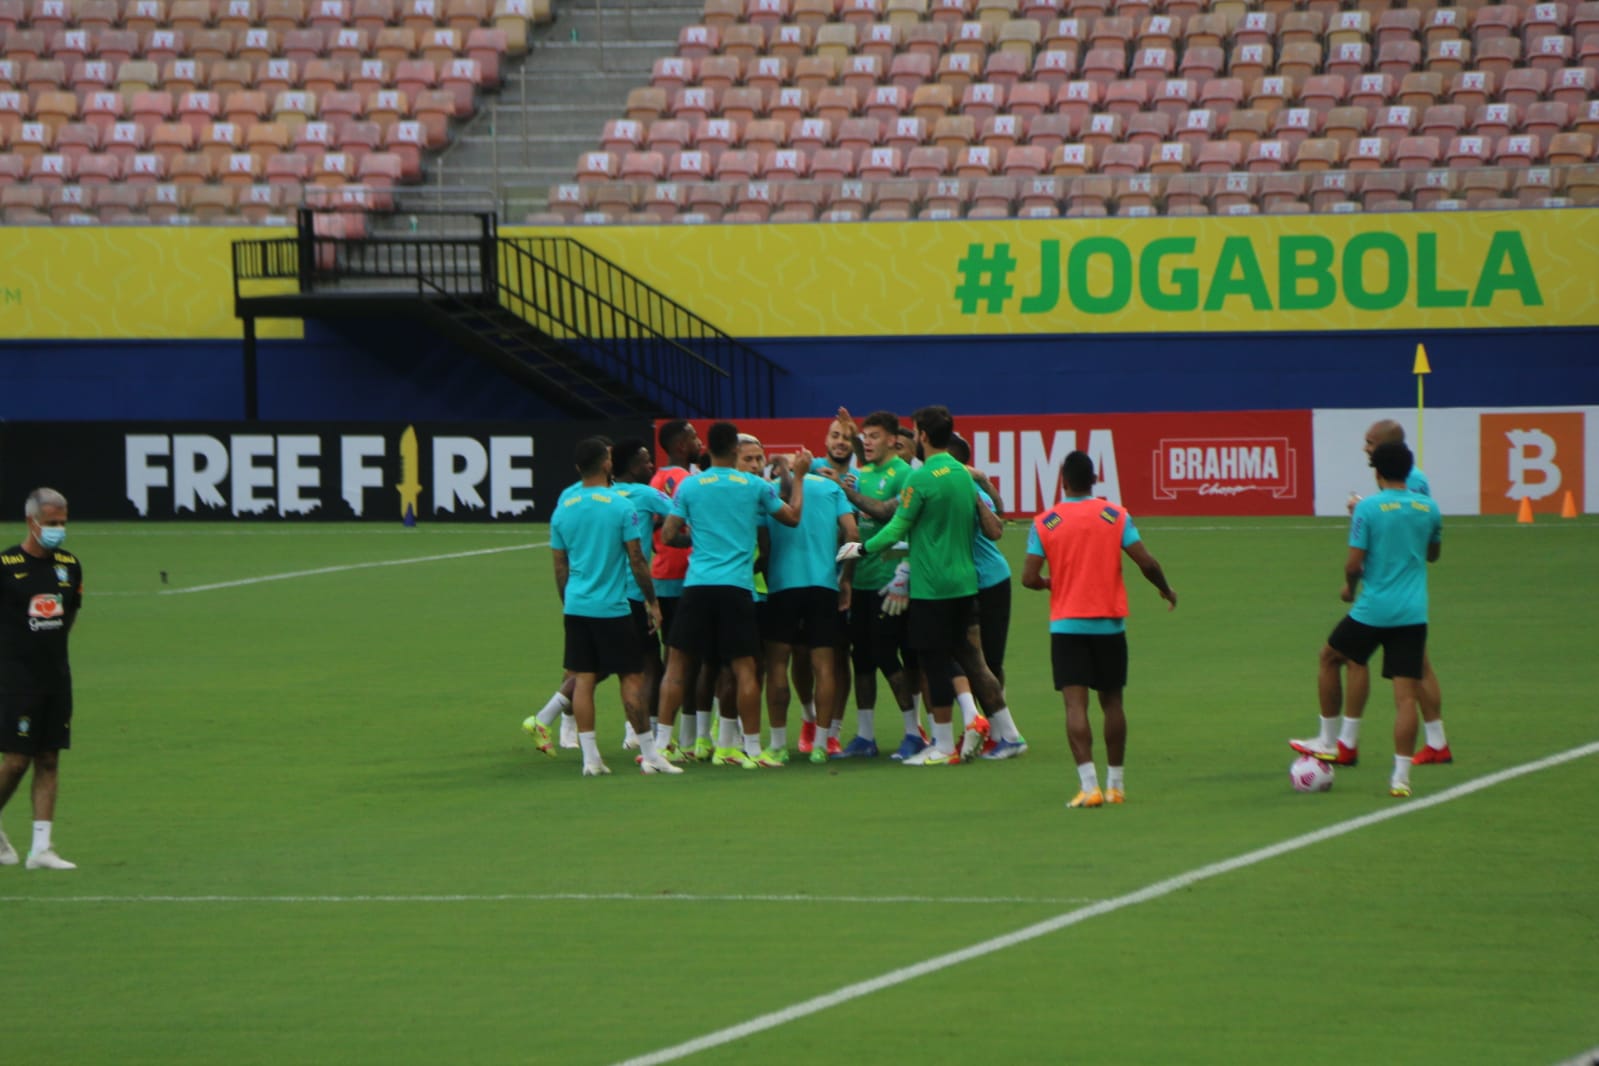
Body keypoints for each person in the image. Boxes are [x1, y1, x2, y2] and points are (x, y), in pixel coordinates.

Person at [838, 406, 1006, 766]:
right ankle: (1005, 733)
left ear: (923, 437)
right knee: (967, 656)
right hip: (965, 582)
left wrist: (863, 547)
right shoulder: (962, 474)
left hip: (933, 586)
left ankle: (943, 745)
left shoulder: (921, 479)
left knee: (934, 662)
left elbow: (897, 525)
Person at [1022, 452, 1176, 808]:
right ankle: (1116, 785)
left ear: (1063, 480)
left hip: (1067, 625)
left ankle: (1089, 786)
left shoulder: (1047, 521)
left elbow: (1028, 578)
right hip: (1109, 624)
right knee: (1112, 703)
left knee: (1075, 705)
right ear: (1094, 480)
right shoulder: (1115, 515)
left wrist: (1050, 583)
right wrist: (1165, 589)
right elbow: (1146, 562)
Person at [654, 422, 811, 770]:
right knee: (744, 670)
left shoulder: (691, 485)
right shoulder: (754, 485)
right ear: (735, 451)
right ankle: (751, 750)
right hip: (737, 587)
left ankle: (661, 747)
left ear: (708, 449)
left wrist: (702, 536)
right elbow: (793, 517)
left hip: (697, 585)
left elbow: (667, 534)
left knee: (678, 665)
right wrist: (798, 477)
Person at [1292, 441, 1442, 798]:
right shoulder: (1429, 507)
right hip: (1413, 612)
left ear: (1376, 471)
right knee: (1405, 697)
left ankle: (1329, 739)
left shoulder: (1368, 509)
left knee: (1330, 657)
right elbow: (1433, 554)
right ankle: (1400, 779)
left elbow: (1353, 563)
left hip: (1374, 609)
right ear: (1409, 471)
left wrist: (1349, 587)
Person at [533, 439, 678, 777]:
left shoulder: (564, 507)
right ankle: (650, 754)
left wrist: (568, 602)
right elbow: (638, 559)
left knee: (583, 679)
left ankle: (590, 759)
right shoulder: (619, 506)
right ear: (607, 464)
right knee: (631, 678)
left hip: (577, 605)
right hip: (612, 608)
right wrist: (653, 602)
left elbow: (559, 566)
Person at [1332, 419, 1452, 766]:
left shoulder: (1413, 482)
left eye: (1369, 442)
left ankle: (1347, 742)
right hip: (1403, 592)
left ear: (1385, 446)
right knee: (1418, 667)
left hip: (1390, 592)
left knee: (1357, 659)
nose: (1364, 448)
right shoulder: (1409, 480)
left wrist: (1361, 513)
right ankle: (1436, 741)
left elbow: (1406, 526)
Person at [0, 488, 85, 870]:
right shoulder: (5, 565)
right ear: (32, 522)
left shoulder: (70, 565)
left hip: (55, 678)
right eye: (52, 523)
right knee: (16, 761)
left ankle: (41, 848)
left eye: (63, 523)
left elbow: (70, 616)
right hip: (14, 679)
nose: (58, 530)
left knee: (48, 758)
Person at [838, 411, 924, 760]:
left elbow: (891, 516)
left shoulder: (903, 474)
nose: (867, 442)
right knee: (862, 660)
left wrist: (851, 495)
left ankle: (913, 732)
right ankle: (865, 735)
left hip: (892, 582)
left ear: (892, 440)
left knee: (889, 654)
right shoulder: (863, 473)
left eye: (874, 436)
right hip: (862, 579)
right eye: (865, 437)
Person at [764, 453, 858, 764]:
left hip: (782, 586)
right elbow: (853, 534)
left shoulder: (769, 488)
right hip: (823, 586)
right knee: (825, 665)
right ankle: (821, 743)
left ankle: (778, 744)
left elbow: (762, 538)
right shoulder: (832, 489)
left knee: (778, 663)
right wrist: (846, 578)